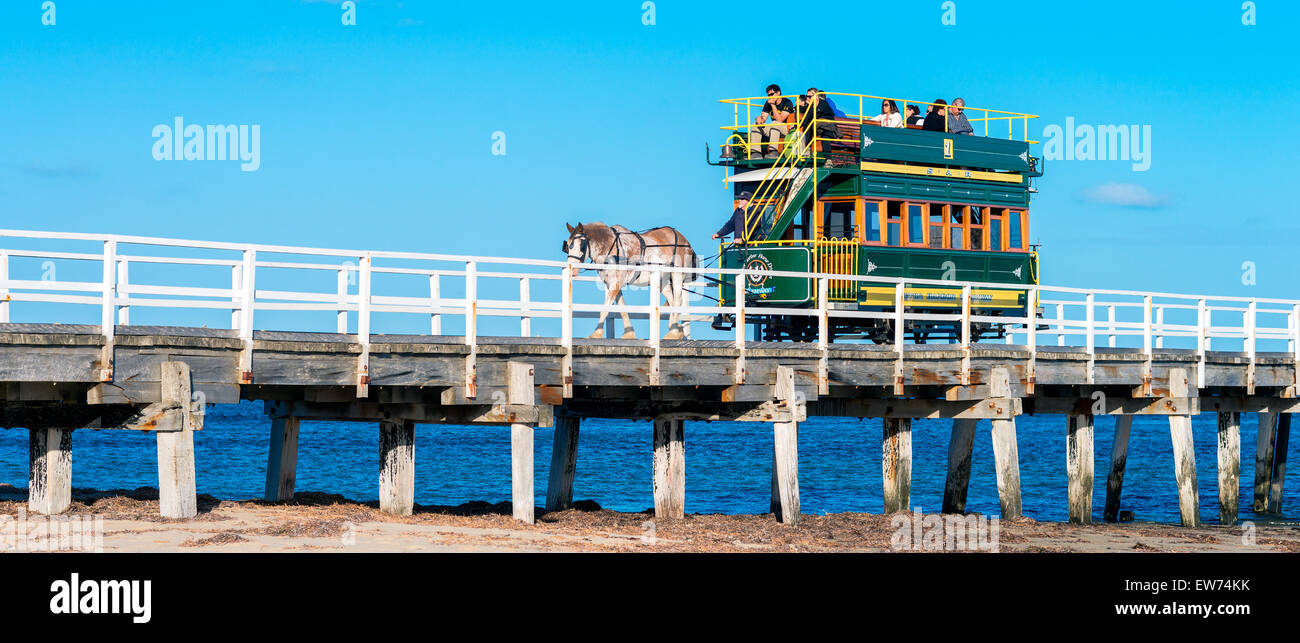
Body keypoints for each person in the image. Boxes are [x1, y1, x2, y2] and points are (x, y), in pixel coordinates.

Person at [748, 84, 795, 159]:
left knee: (775, 123)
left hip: (786, 129)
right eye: (769, 95)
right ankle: (755, 152)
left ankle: (774, 151)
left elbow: (780, 120)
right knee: (756, 125)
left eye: (772, 94)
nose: (770, 96)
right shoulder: (768, 103)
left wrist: (773, 105)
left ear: (778, 93)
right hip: (774, 129)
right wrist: (759, 119)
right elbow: (764, 117)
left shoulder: (787, 102)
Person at [798, 87, 839, 164]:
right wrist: (797, 125)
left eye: (810, 96)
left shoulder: (823, 104)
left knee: (825, 135)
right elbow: (806, 118)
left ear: (816, 96)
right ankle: (807, 151)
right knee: (807, 126)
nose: (808, 98)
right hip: (816, 128)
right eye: (807, 96)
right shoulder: (810, 106)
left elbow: (825, 116)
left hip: (827, 126)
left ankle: (828, 159)